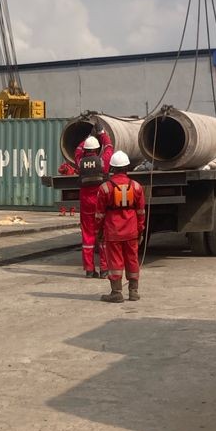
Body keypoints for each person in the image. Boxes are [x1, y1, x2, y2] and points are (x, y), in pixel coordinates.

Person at [95, 150, 146, 303]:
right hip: (131, 230)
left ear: (112, 168)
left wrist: (99, 231)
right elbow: (141, 212)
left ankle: (116, 292)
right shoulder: (136, 187)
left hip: (113, 231)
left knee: (115, 262)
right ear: (127, 168)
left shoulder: (105, 188)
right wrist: (140, 230)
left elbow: (99, 215)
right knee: (132, 260)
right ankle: (133, 292)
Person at [74, 115, 113, 277]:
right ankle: (104, 269)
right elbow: (109, 147)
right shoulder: (102, 162)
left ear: (86, 150)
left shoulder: (80, 163)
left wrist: (88, 137)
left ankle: (89, 270)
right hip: (100, 202)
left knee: (88, 236)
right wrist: (102, 133)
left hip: (86, 203)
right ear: (97, 150)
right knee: (103, 235)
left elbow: (77, 151)